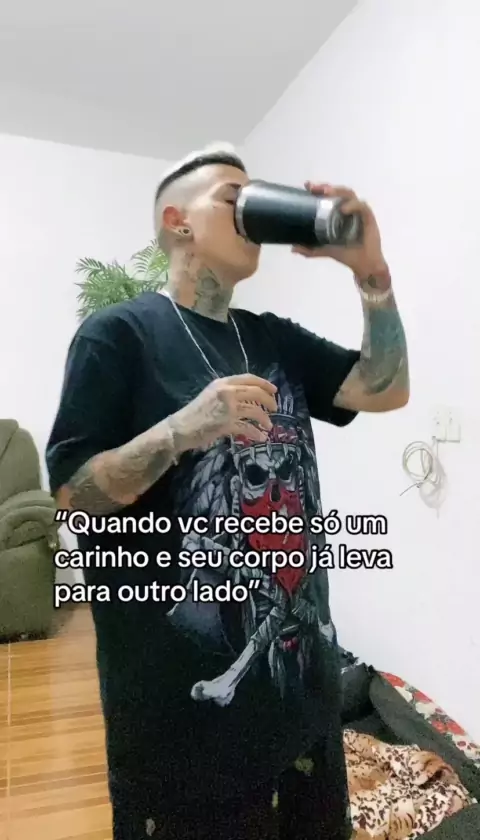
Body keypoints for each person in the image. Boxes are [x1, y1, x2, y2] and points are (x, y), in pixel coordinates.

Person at [46, 143, 409, 840]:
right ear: (177, 221)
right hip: (183, 726)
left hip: (304, 701)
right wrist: (180, 430)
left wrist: (372, 272)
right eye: (233, 198)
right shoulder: (116, 336)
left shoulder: (272, 338)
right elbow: (71, 495)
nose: (252, 212)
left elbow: (384, 388)